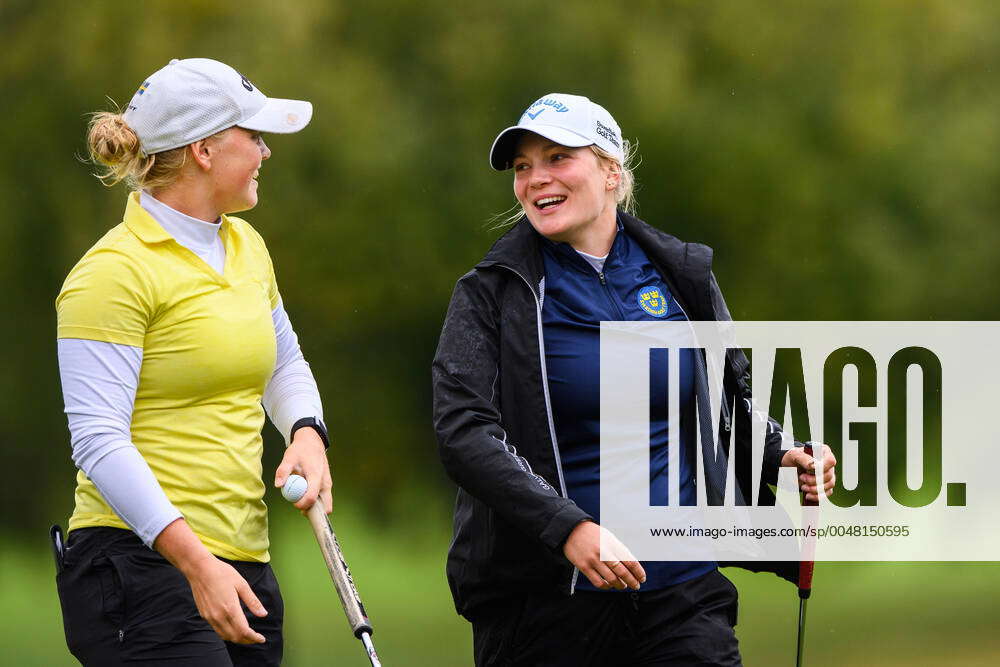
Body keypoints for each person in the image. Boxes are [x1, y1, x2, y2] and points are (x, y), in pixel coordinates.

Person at [432, 93, 838, 666]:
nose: (535, 179)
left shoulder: (680, 274)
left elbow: (723, 395)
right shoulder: (492, 292)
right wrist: (567, 528)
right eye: (523, 166)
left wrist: (780, 449)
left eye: (557, 158)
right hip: (548, 605)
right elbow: (465, 432)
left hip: (682, 591)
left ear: (611, 171)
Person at [54, 58, 332, 666]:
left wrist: (308, 433)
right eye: (254, 137)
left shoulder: (246, 246)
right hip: (136, 564)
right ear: (204, 149)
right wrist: (197, 564)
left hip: (242, 560)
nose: (266, 153)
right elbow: (98, 441)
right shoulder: (111, 273)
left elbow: (283, 362)